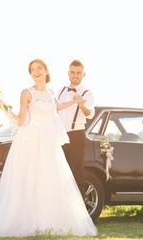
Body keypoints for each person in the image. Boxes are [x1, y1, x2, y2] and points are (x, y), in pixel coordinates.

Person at [0, 59, 97, 238]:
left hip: (49, 142)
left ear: (46, 71)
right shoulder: (26, 93)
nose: (35, 72)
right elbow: (20, 121)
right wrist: (3, 107)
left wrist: (77, 102)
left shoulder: (52, 91)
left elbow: (59, 107)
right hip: (32, 140)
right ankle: (27, 220)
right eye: (32, 70)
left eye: (39, 68)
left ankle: (47, 221)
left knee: (49, 181)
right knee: (31, 180)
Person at [57, 59, 95, 199]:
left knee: (76, 176)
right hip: (59, 137)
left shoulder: (87, 93)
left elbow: (89, 113)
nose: (75, 75)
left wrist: (82, 105)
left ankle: (81, 217)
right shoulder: (61, 91)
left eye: (78, 73)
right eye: (73, 72)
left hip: (76, 137)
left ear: (83, 75)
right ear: (68, 73)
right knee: (59, 175)